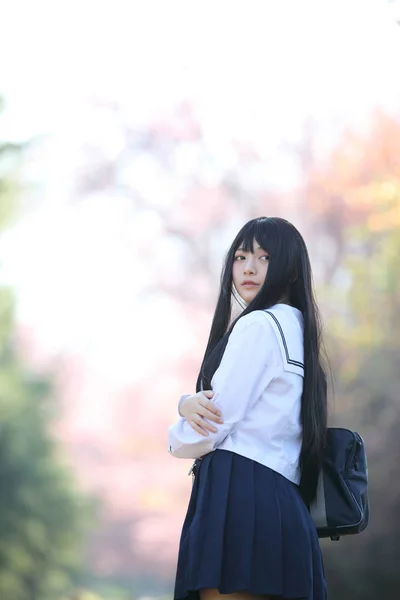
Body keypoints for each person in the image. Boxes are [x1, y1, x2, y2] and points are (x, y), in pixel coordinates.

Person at [168, 217, 328, 600]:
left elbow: (216, 420)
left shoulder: (259, 325)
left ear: (289, 267)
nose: (249, 267)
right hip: (283, 502)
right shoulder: (298, 329)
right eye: (241, 257)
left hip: (240, 498)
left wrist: (178, 429)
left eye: (264, 257)